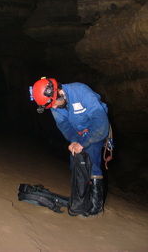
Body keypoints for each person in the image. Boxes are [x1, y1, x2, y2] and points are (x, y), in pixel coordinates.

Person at [31, 77, 109, 216]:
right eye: (50, 106)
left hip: (95, 129)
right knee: (76, 164)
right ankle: (81, 201)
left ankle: (96, 206)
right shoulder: (54, 103)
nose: (53, 107)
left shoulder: (80, 91)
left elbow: (100, 123)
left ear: (59, 92)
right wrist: (73, 141)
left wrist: (84, 143)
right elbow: (64, 125)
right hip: (78, 133)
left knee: (91, 164)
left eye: (54, 103)